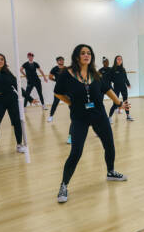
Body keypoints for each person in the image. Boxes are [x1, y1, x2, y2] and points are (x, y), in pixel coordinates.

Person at [54, 44, 130, 203]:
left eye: (89, 53)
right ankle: (63, 185)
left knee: (109, 144)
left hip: (99, 115)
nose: (86, 55)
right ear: (77, 56)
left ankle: (111, 172)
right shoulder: (66, 74)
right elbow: (58, 92)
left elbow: (108, 89)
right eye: (83, 53)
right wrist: (70, 103)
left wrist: (119, 103)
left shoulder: (95, 74)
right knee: (76, 152)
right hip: (79, 117)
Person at [108, 55, 134, 122]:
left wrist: (128, 84)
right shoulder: (112, 69)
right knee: (115, 103)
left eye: (120, 59)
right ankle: (110, 117)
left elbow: (125, 78)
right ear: (115, 60)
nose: (119, 60)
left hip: (123, 87)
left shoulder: (123, 69)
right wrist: (110, 87)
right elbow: (109, 79)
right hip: (116, 87)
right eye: (118, 59)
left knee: (126, 102)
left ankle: (128, 116)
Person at [47, 56, 66, 122]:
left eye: (62, 60)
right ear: (57, 61)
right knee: (55, 103)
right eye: (60, 60)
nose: (62, 61)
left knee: (73, 101)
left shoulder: (66, 68)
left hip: (67, 89)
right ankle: (51, 116)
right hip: (58, 89)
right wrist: (56, 80)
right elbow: (50, 77)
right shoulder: (54, 69)